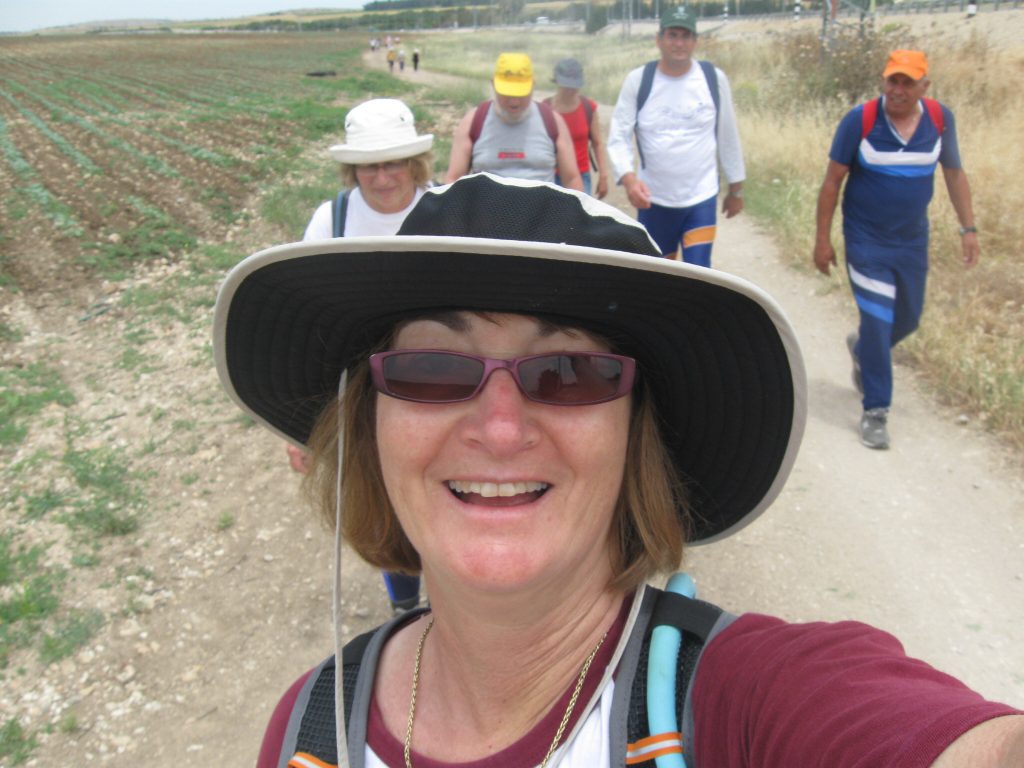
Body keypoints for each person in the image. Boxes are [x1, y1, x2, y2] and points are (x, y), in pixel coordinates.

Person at [214, 173, 1022, 767]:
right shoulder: (307, 731)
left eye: (568, 373)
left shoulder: (747, 704)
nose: (499, 429)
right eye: (433, 367)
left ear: (638, 435)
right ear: (371, 421)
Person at [299, 97, 436, 613]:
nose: (382, 177)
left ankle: (451, 604)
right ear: (352, 168)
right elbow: (312, 324)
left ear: (414, 163)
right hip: (362, 387)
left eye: (393, 162)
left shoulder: (449, 210)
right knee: (380, 506)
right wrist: (307, 428)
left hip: (438, 383)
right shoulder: (329, 222)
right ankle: (405, 609)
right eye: (369, 165)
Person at [813, 50, 980, 450]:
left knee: (907, 318)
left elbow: (954, 173)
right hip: (866, 241)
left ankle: (865, 349)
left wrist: (968, 228)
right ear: (884, 82)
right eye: (893, 81)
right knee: (877, 321)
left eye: (908, 82)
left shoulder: (940, 120)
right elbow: (833, 181)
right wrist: (822, 239)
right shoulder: (862, 120)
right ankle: (876, 410)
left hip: (911, 241)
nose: (898, 90)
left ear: (925, 86)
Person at [607, 7, 746, 267]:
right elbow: (619, 135)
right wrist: (628, 179)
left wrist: (735, 188)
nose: (679, 43)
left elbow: (728, 135)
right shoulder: (639, 81)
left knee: (700, 275)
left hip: (700, 200)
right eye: (672, 35)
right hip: (655, 202)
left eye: (685, 36)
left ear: (695, 41)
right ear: (659, 39)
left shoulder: (713, 79)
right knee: (661, 276)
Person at [444, 52, 583, 190]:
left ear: (532, 86)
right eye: (507, 93)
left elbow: (571, 179)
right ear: (493, 85)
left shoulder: (552, 121)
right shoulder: (473, 121)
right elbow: (453, 179)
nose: (514, 101)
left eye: (521, 94)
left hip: (540, 211)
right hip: (487, 211)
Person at [543, 58, 611, 199]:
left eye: (574, 86)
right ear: (557, 82)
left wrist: (603, 176)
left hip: (581, 176)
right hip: (551, 176)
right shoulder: (545, 109)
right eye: (567, 86)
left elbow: (597, 144)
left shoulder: (588, 108)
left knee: (578, 219)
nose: (571, 90)